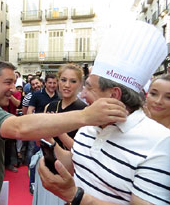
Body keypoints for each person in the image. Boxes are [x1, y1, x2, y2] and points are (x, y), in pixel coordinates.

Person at [0, 59, 127, 205]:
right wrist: (87, 116)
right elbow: (19, 127)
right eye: (7, 82)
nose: (12, 89)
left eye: (13, 83)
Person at [38, 20, 170, 204]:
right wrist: (50, 146)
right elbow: (76, 162)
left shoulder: (160, 143)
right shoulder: (90, 123)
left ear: (113, 95)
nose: (83, 94)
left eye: (89, 88)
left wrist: (75, 196)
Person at [32, 63, 87, 205]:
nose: (67, 85)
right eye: (63, 80)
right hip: (46, 163)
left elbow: (81, 150)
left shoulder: (84, 111)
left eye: (73, 81)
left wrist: (59, 132)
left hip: (69, 173)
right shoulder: (50, 106)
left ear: (80, 84)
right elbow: (39, 141)